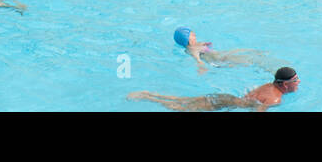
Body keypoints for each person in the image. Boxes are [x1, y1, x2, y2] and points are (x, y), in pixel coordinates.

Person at [128, 67, 300, 112]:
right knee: (180, 107)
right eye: (295, 80)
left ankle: (148, 94)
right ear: (285, 84)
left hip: (226, 99)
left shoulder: (269, 86)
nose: (298, 82)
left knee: (183, 102)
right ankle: (148, 98)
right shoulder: (275, 99)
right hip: (222, 104)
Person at [176, 27, 272, 74]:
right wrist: (201, 67)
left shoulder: (196, 45)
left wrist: (204, 45)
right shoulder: (192, 50)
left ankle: (255, 52)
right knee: (247, 61)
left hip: (220, 55)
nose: (195, 35)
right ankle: (264, 67)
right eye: (192, 35)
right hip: (219, 60)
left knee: (238, 50)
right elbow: (197, 59)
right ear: (187, 39)